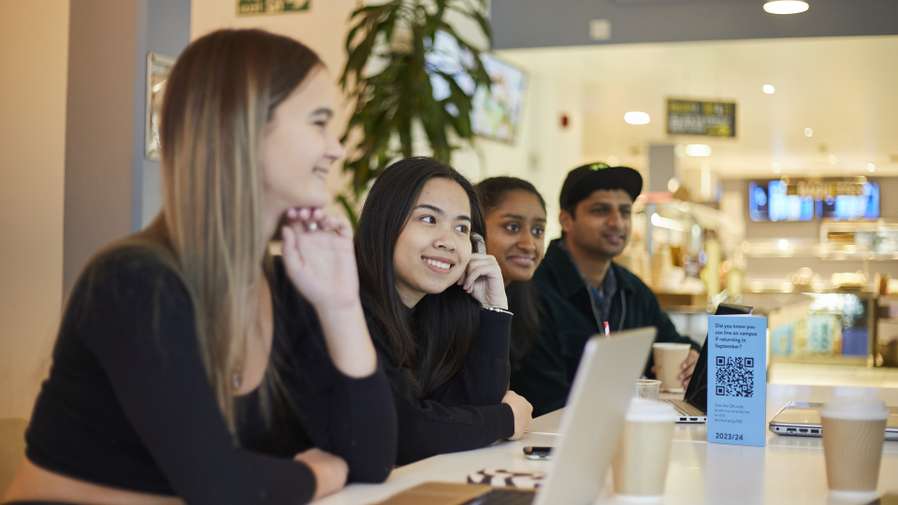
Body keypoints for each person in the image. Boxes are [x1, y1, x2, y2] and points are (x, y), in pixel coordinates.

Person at [3, 29, 396, 505]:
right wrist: (317, 476)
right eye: (318, 123)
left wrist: (341, 306)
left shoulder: (286, 283)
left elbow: (371, 458)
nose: (336, 149)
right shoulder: (133, 282)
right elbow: (221, 487)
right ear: (243, 129)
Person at [355, 157, 532, 465]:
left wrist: (493, 308)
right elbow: (400, 431)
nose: (448, 242)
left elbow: (472, 407)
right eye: (428, 219)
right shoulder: (349, 306)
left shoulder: (433, 314)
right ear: (384, 221)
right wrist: (504, 420)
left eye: (461, 227)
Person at [513, 163, 699, 416]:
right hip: (553, 442)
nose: (617, 222)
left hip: (626, 435)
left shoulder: (632, 290)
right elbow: (546, 398)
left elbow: (674, 343)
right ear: (566, 219)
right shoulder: (533, 290)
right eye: (600, 211)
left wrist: (693, 359)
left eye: (625, 212)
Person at [475, 176, 547, 373]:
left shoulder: (529, 298)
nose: (529, 244)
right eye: (512, 227)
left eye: (538, 230)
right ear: (475, 229)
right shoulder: (446, 308)